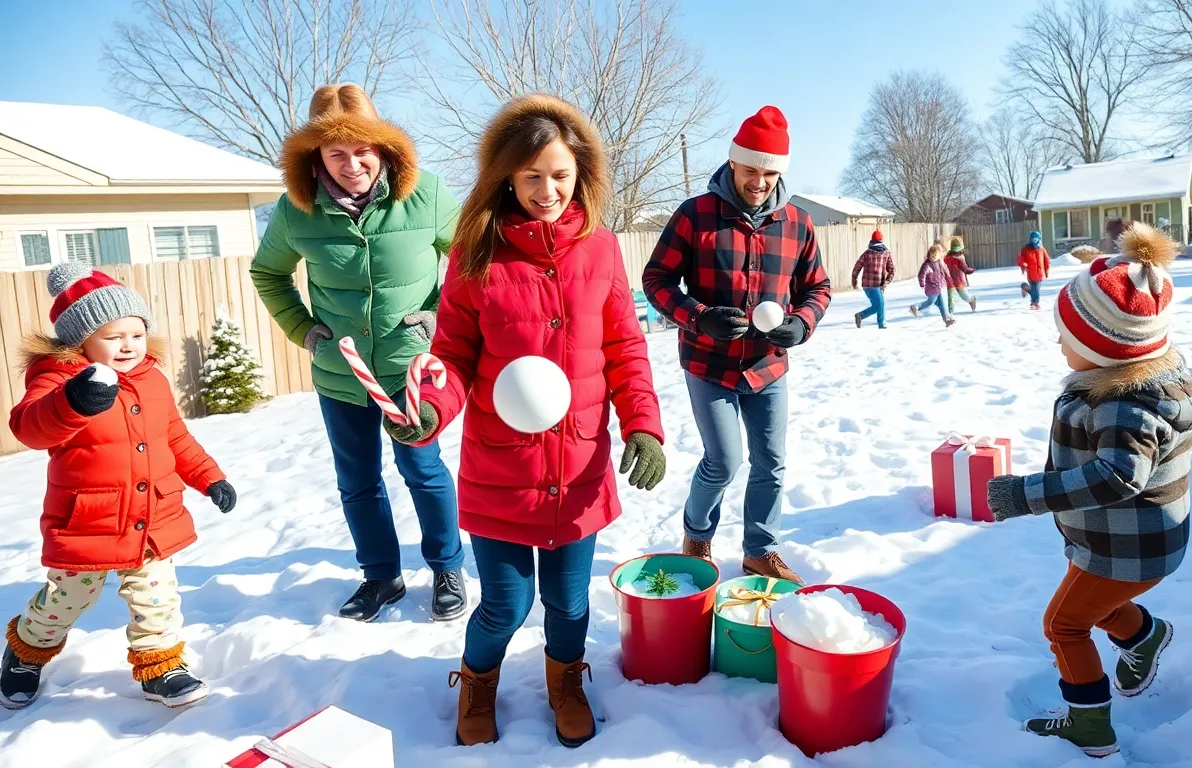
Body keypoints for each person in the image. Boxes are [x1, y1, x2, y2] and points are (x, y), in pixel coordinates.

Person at [387, 95, 665, 748]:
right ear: (506, 175)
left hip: (578, 466)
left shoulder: (599, 248)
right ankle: (478, 680)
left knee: (569, 604)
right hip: (502, 467)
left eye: (561, 175)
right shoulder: (475, 250)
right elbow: (453, 353)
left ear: (582, 174)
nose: (548, 190)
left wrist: (644, 426)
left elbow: (625, 346)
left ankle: (565, 679)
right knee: (505, 605)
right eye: (532, 175)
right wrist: (430, 410)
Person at [250, 84, 467, 623]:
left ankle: (446, 567)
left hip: (409, 367)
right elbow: (268, 272)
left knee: (423, 466)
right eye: (337, 153)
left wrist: (440, 316)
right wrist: (301, 328)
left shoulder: (429, 195)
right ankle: (381, 576)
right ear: (315, 158)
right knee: (359, 481)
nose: (353, 164)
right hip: (341, 374)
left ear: (385, 150)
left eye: (364, 150)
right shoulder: (296, 211)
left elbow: (469, 262)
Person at [986, 223, 1192, 758]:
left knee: (1063, 624)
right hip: (1119, 541)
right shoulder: (1125, 382)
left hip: (1128, 547)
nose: (1058, 340)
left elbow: (1117, 476)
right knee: (1094, 608)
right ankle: (1145, 638)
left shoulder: (1124, 405)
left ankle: (1089, 724)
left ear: (1105, 350)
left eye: (1068, 334)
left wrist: (1025, 495)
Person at [3, 264, 236, 710]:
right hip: (88, 518)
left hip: (152, 515)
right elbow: (30, 428)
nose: (128, 345)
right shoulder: (59, 381)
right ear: (81, 341)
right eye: (113, 336)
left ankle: (161, 667)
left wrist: (210, 476)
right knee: (66, 600)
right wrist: (72, 402)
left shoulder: (152, 379)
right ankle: (25, 650)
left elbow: (175, 437)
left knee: (157, 598)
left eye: (136, 333)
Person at [644, 106, 831, 585]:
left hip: (768, 368)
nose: (760, 181)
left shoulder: (798, 223)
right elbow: (657, 279)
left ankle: (760, 549)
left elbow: (818, 289)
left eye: (770, 172)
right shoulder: (695, 216)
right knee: (722, 462)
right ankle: (698, 535)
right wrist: (698, 316)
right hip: (709, 364)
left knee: (771, 462)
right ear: (733, 163)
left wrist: (801, 323)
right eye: (751, 169)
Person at [852, 229, 896, 328]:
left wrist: (854, 280)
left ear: (871, 241)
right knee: (879, 304)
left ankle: (880, 322)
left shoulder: (867, 253)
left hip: (867, 285)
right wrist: (887, 281)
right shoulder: (886, 253)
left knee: (879, 304)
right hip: (878, 285)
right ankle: (864, 317)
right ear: (881, 240)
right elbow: (892, 270)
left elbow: (857, 267)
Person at [910, 245, 955, 327]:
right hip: (932, 287)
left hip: (942, 286)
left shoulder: (941, 262)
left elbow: (946, 270)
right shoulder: (927, 265)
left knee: (943, 304)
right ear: (929, 255)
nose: (933, 258)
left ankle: (947, 320)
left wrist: (949, 278)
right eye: (932, 256)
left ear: (939, 255)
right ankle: (915, 307)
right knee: (931, 301)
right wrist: (922, 283)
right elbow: (921, 275)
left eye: (935, 256)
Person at [944, 236, 978, 313]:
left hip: (958, 281)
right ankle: (950, 312)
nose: (956, 253)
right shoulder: (946, 258)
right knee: (950, 297)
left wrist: (972, 269)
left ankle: (971, 300)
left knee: (964, 296)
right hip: (949, 281)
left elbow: (965, 269)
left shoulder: (960, 259)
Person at [1019, 230, 1051, 309]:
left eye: (1037, 239)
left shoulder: (1041, 249)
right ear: (1030, 239)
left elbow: (1046, 260)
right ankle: (1035, 303)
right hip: (1030, 273)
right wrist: (1023, 265)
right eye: (1033, 239)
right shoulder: (1026, 249)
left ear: (1039, 239)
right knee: (1035, 289)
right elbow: (1020, 259)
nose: (1035, 241)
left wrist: (1046, 271)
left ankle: (1025, 288)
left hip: (1040, 272)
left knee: (1035, 289)